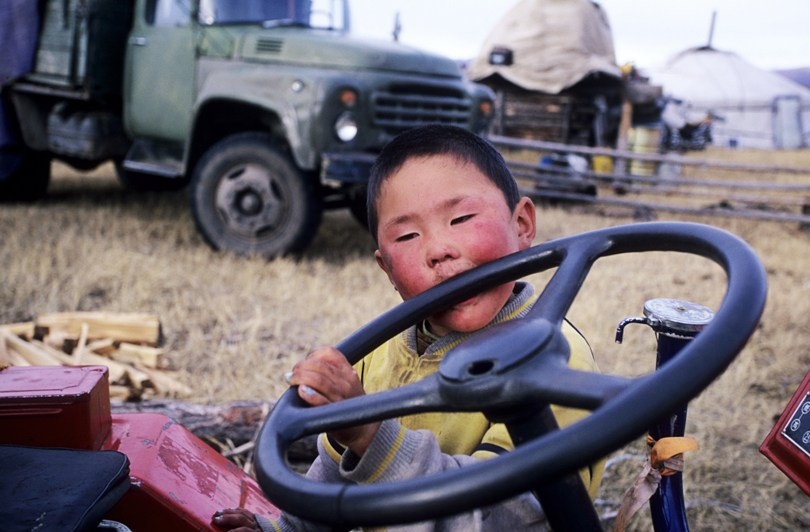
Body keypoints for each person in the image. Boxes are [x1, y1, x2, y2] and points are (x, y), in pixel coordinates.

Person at [212, 124, 603, 531]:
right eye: (408, 235)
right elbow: (331, 486)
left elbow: (503, 516)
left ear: (522, 224)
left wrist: (372, 436)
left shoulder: (556, 359)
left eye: (462, 217)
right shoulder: (374, 356)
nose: (438, 250)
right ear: (387, 269)